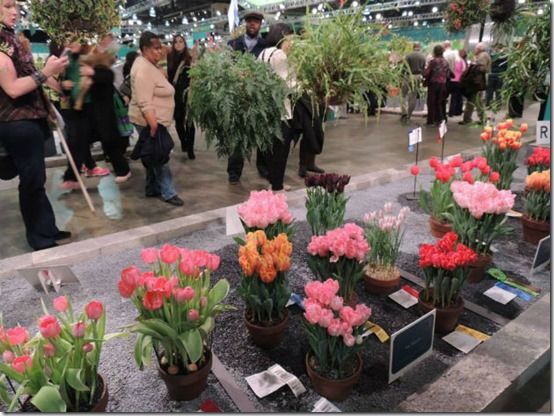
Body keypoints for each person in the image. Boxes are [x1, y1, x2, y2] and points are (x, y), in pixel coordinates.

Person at [0, 0, 72, 250]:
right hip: (17, 122)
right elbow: (12, 88)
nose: (14, 11)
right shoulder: (2, 43)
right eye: (7, 5)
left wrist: (49, 103)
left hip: (29, 119)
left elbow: (29, 78)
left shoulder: (10, 39)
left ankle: (46, 230)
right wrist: (46, 72)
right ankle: (39, 238)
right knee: (31, 182)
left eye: (15, 6)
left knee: (36, 180)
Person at [129, 31, 183, 206]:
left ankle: (151, 188)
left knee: (153, 157)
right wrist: (153, 127)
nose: (160, 52)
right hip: (151, 121)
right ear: (145, 49)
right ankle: (168, 192)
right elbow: (145, 102)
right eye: (156, 48)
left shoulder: (147, 63)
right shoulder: (143, 69)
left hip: (153, 121)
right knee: (161, 158)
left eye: (161, 48)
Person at [59, 40, 110, 189]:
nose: (70, 44)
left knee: (80, 140)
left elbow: (105, 76)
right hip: (74, 106)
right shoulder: (68, 59)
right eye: (68, 42)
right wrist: (64, 84)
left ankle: (75, 174)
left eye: (74, 41)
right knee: (78, 140)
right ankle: (80, 171)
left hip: (89, 105)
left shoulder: (89, 57)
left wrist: (92, 74)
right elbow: (63, 81)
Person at [226, 11, 268, 184]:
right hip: (237, 96)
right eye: (250, 21)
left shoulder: (266, 45)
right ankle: (234, 172)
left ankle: (263, 167)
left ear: (260, 25)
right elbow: (226, 67)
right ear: (245, 24)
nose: (252, 24)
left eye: (256, 22)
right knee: (237, 135)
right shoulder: (234, 44)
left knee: (262, 133)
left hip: (259, 96)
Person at [258, 23, 299, 192]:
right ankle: (277, 188)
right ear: (283, 36)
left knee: (271, 150)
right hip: (283, 111)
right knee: (280, 152)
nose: (292, 42)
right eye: (290, 37)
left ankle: (275, 183)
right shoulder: (281, 55)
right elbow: (289, 85)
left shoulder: (263, 53)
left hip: (266, 110)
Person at [167, 34, 196, 159]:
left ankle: (190, 149)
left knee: (189, 122)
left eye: (181, 41)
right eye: (176, 42)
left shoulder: (189, 59)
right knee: (178, 123)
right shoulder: (170, 59)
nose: (178, 44)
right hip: (174, 94)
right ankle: (184, 142)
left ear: (185, 44)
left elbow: (195, 76)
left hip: (188, 93)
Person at [460, 42, 491, 125]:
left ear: (480, 49)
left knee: (474, 101)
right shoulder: (482, 55)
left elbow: (481, 69)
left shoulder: (483, 56)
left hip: (477, 84)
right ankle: (475, 118)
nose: (475, 50)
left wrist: (473, 66)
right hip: (477, 83)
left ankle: (469, 119)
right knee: (476, 101)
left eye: (476, 49)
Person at [424, 44, 450, 126]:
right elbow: (448, 73)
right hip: (443, 84)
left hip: (434, 84)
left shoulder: (433, 61)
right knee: (439, 102)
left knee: (431, 102)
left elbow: (427, 72)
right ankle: (439, 120)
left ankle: (430, 121)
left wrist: (423, 73)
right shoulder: (445, 61)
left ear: (435, 51)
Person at [400, 42, 426, 122]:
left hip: (408, 76)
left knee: (403, 95)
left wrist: (400, 77)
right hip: (417, 76)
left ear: (413, 47)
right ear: (419, 47)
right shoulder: (423, 56)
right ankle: (409, 114)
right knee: (413, 96)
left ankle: (404, 112)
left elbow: (404, 67)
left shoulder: (408, 56)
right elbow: (423, 69)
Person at [448, 48, 467, 117]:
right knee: (457, 97)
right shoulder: (462, 61)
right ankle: (456, 111)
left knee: (452, 97)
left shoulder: (453, 62)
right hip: (458, 81)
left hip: (451, 81)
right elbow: (464, 70)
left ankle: (450, 112)